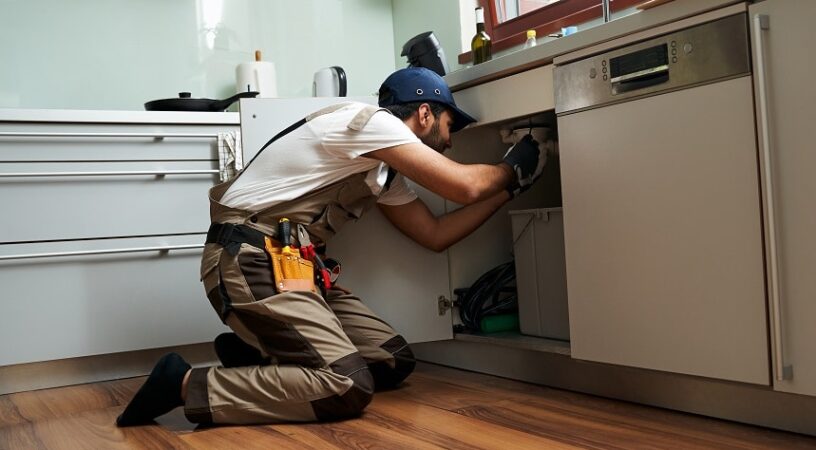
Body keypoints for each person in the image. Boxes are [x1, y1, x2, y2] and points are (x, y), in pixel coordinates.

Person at [116, 67, 545, 426]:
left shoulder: (384, 172)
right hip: (246, 261)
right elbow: (466, 185)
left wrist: (507, 193)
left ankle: (262, 355)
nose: (450, 141)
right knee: (348, 386)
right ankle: (186, 383)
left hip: (291, 270)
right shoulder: (371, 124)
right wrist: (513, 165)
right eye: (451, 126)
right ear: (426, 113)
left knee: (392, 360)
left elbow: (435, 235)